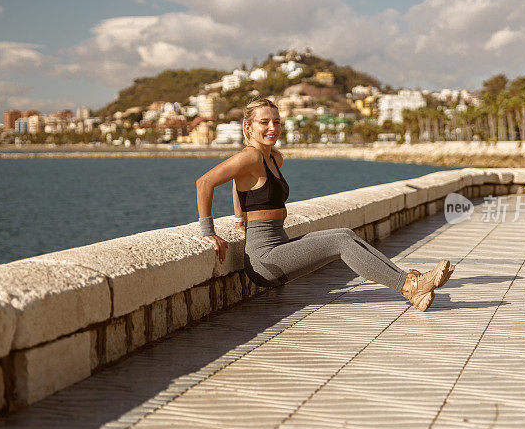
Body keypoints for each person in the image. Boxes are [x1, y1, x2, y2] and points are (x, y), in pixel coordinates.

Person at [195, 97, 454, 311]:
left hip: (279, 246)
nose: (272, 127)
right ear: (248, 127)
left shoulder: (273, 158)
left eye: (276, 122)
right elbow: (204, 183)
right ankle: (410, 287)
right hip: (265, 260)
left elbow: (236, 183)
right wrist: (208, 232)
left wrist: (240, 219)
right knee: (340, 241)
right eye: (264, 122)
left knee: (344, 234)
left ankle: (412, 285)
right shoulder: (250, 156)